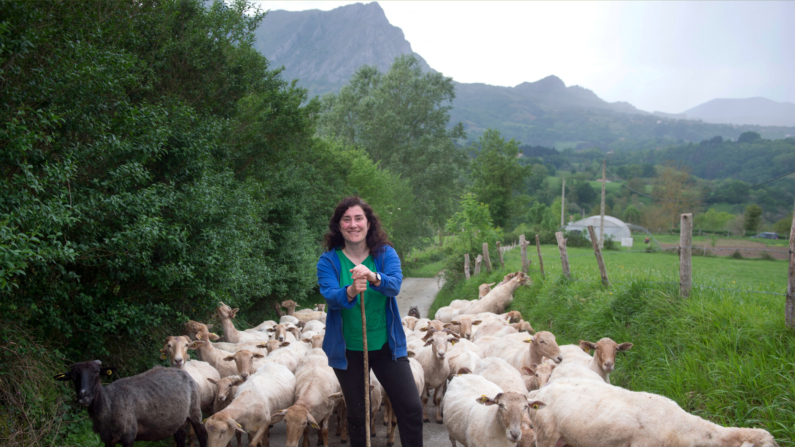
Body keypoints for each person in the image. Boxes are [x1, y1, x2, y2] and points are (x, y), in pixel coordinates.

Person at [317, 196, 423, 447]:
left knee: (411, 408)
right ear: (339, 225)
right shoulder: (329, 261)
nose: (353, 225)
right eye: (347, 220)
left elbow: (395, 285)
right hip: (348, 351)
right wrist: (352, 290)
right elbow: (331, 298)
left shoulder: (385, 254)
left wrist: (374, 276)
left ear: (368, 223)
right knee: (357, 415)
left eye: (358, 218)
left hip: (387, 347)